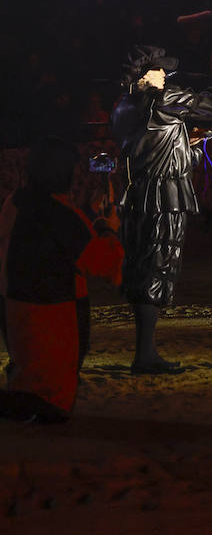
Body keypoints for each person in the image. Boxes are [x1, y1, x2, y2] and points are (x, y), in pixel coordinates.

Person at [111, 45, 212, 374]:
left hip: (137, 193)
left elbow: (151, 141)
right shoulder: (163, 99)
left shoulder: (122, 105)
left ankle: (144, 351)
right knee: (158, 268)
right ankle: (145, 355)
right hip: (165, 195)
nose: (165, 74)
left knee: (142, 267)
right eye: (159, 68)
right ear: (143, 73)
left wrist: (181, 140)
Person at [0, 137, 123, 422]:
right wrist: (107, 227)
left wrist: (89, 216)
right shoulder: (63, 216)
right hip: (56, 308)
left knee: (27, 369)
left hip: (12, 303)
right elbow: (102, 262)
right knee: (51, 392)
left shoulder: (15, 202)